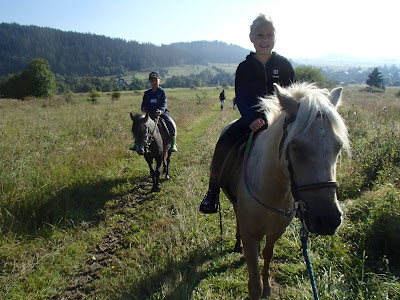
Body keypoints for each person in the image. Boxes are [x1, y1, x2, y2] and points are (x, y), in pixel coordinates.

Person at [199, 14, 295, 214]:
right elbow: (241, 97)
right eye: (260, 35)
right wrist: (251, 119)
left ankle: (304, 197)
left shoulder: (285, 66)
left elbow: (292, 95)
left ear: (275, 37)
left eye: (269, 35)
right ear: (251, 38)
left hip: (280, 120)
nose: (264, 39)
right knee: (224, 141)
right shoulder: (244, 68)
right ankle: (212, 191)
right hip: (253, 120)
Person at [129, 72, 177, 152]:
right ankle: (136, 143)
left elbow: (163, 103)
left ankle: (173, 143)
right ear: (150, 82)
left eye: (156, 80)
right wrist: (144, 111)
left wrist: (161, 111)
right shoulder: (147, 93)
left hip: (161, 113)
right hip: (149, 114)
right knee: (138, 125)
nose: (154, 82)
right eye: (152, 80)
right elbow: (144, 104)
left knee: (170, 123)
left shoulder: (162, 92)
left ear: (159, 81)